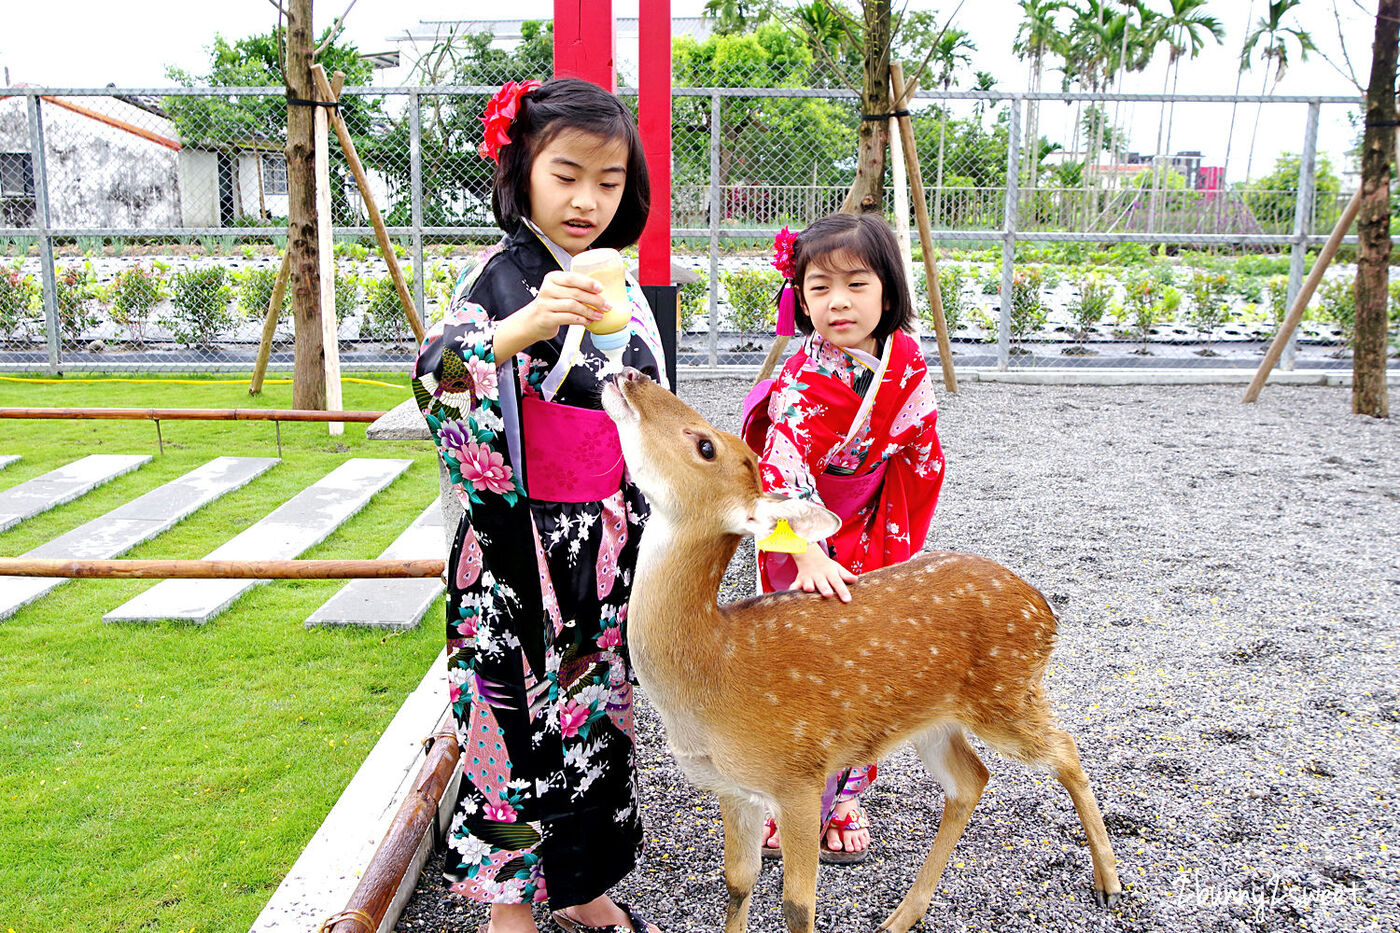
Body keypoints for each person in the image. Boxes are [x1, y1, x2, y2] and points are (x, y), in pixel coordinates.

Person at [412, 78, 667, 933]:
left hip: (602, 551)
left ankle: (584, 885)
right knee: (509, 732)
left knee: (596, 726)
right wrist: (512, 334)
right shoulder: (494, 281)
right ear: (521, 172)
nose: (587, 200)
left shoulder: (623, 288)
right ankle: (511, 907)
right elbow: (434, 380)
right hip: (515, 555)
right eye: (566, 175)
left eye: (608, 179)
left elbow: (649, 412)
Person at [741, 213, 946, 863]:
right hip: (805, 543)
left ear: (889, 290)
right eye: (819, 285)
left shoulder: (905, 362)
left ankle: (848, 795)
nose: (837, 301)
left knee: (869, 675)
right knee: (805, 672)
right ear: (798, 295)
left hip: (875, 528)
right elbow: (774, 475)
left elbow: (922, 454)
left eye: (857, 284)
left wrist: (895, 532)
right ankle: (791, 797)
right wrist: (801, 548)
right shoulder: (801, 380)